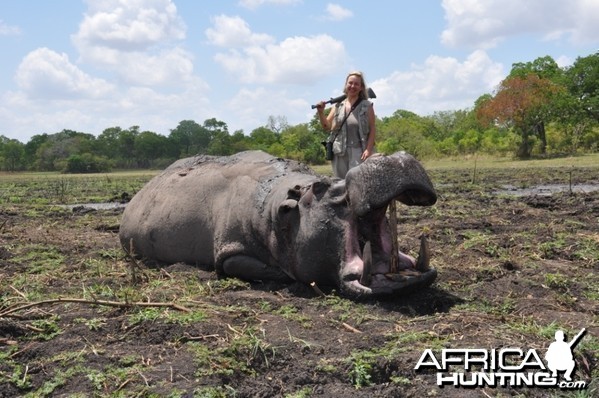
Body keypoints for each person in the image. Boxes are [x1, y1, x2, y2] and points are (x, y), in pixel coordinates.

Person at [316, 71, 377, 178]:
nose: (353, 86)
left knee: (357, 183)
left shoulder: (367, 106)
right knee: (339, 185)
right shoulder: (337, 106)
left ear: (361, 87)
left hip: (359, 152)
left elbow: (372, 128)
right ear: (346, 84)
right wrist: (320, 112)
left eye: (356, 84)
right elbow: (326, 127)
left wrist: (368, 149)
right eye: (350, 83)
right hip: (339, 152)